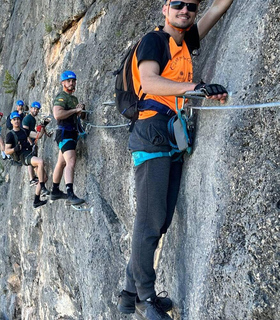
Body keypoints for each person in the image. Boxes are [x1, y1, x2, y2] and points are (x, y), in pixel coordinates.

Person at [118, 1, 232, 319]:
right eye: (178, 4)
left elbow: (217, 10)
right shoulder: (155, 40)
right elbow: (150, 81)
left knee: (161, 220)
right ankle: (144, 298)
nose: (186, 10)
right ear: (165, 9)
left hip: (170, 132)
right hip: (152, 130)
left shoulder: (184, 41)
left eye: (191, 6)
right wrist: (196, 88)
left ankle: (128, 294)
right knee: (150, 221)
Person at [50, 71, 85, 205]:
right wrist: (74, 111)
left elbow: (79, 117)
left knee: (61, 162)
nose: (71, 83)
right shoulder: (62, 96)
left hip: (71, 132)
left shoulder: (74, 99)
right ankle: (70, 194)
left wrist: (80, 111)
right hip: (65, 133)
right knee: (71, 161)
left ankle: (55, 191)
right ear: (63, 83)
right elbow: (57, 114)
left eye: (73, 81)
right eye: (69, 81)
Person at [5, 111, 50, 208]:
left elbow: (38, 136)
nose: (16, 121)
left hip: (29, 154)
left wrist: (43, 126)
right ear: (11, 122)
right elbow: (6, 151)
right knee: (40, 161)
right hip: (23, 157)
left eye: (17, 119)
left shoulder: (24, 131)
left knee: (44, 177)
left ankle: (36, 200)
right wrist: (14, 149)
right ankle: (42, 187)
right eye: (14, 119)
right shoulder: (10, 135)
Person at [23, 101, 48, 186]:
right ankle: (32, 179)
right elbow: (25, 132)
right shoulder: (27, 118)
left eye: (37, 109)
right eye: (34, 108)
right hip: (27, 142)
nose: (35, 110)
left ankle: (33, 178)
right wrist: (30, 142)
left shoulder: (32, 119)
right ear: (30, 109)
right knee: (31, 160)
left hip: (31, 141)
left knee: (31, 160)